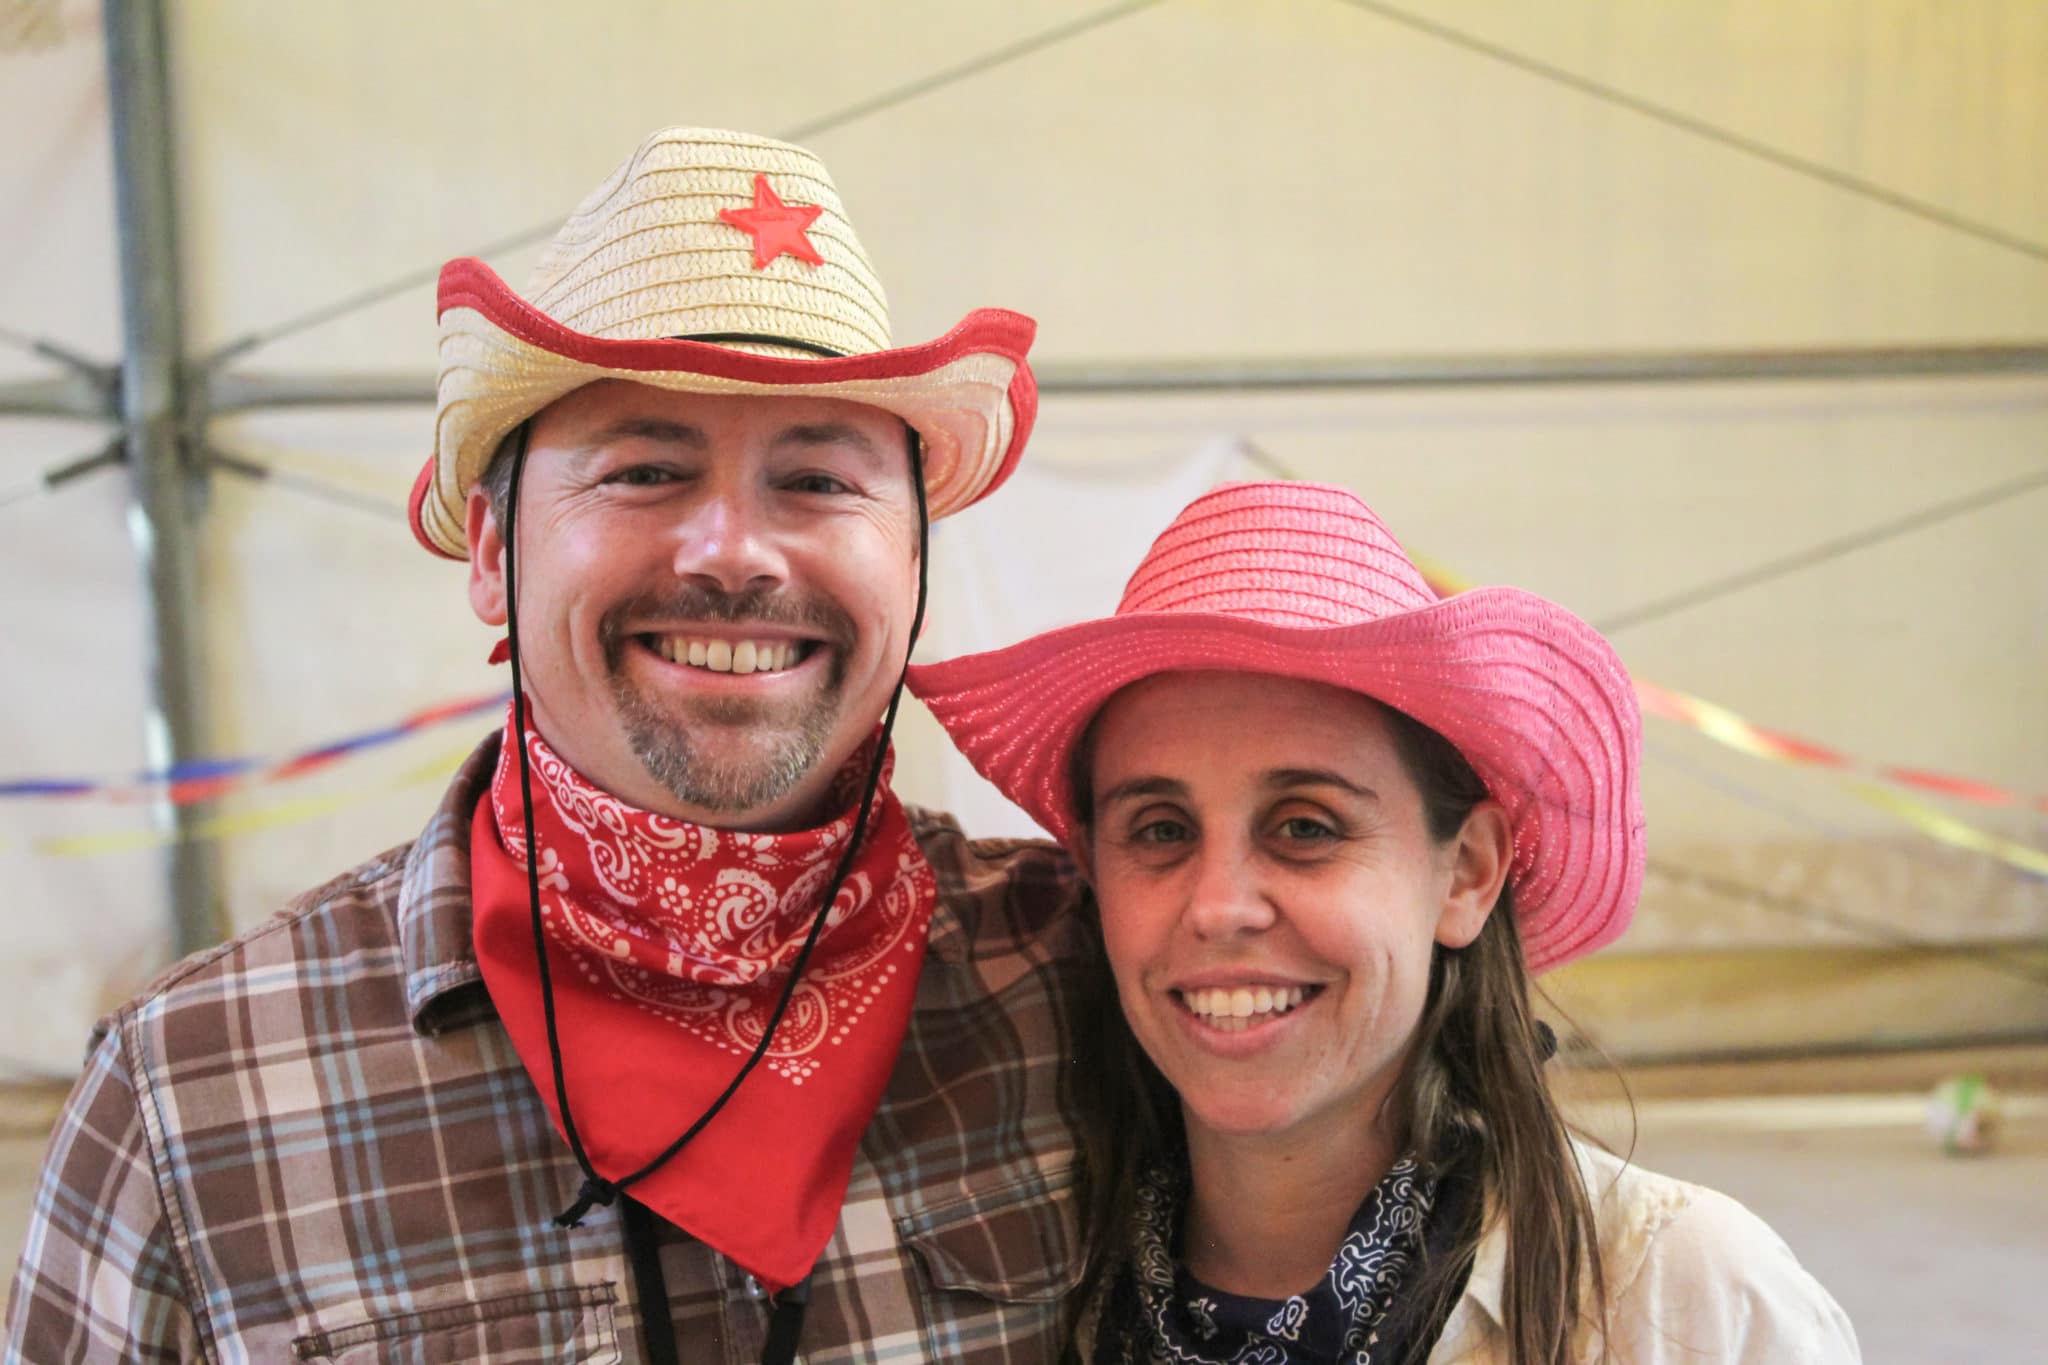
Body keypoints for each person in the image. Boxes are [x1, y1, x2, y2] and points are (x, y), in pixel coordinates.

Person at [6, 127, 1093, 1364]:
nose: (730, 550)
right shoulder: (192, 1090)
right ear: (488, 552)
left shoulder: (1075, 987)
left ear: (910, 562)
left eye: (819, 482)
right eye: (643, 471)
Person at [910, 481, 1861, 1364]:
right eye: (1160, 830)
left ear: (1468, 874)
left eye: (1306, 827)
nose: (1219, 905)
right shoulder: (1029, 1296)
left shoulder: (1679, 1300)